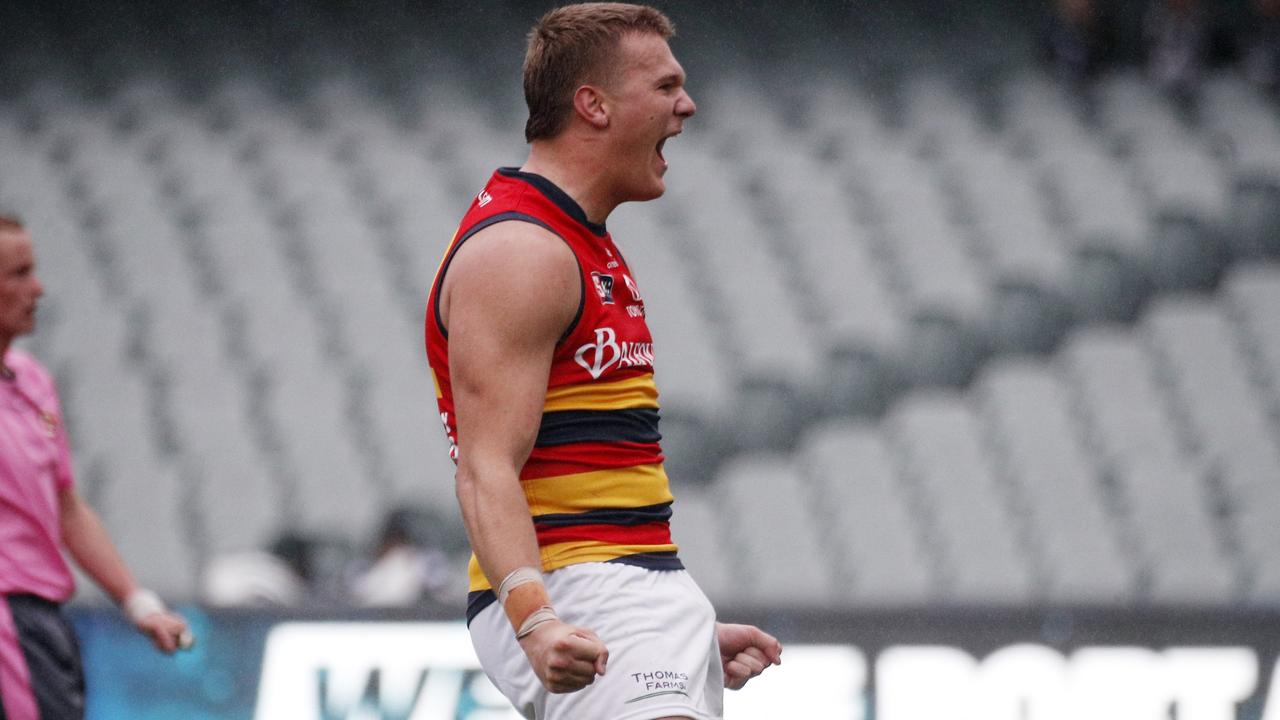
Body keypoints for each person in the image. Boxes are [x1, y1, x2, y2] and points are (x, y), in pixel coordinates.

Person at [423, 4, 781, 718]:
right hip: (579, 585)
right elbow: (484, 469)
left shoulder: (575, 238)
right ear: (593, 104)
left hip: (634, 585)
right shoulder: (522, 251)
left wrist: (679, 632)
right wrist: (537, 620)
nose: (687, 105)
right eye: (665, 85)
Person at [0, 215, 191, 720]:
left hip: (40, 620)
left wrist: (138, 603)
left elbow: (65, 505)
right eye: (18, 274)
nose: (37, 288)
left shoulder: (31, 380)